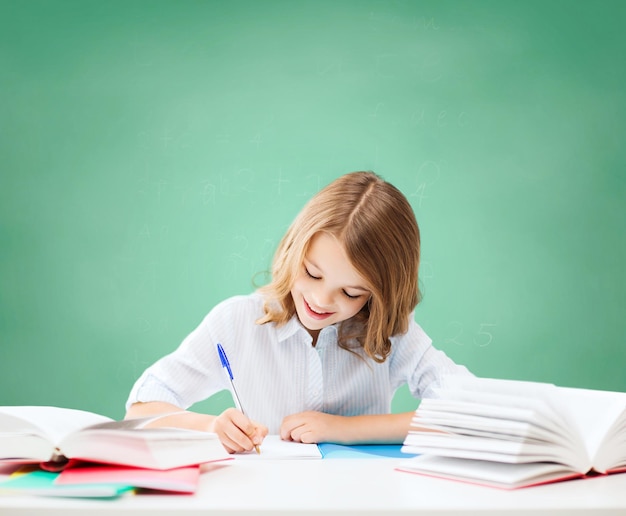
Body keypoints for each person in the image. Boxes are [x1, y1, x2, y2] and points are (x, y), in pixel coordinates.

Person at [125, 171, 472, 453]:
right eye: (311, 273)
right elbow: (141, 410)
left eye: (351, 293)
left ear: (378, 296)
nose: (321, 300)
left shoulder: (390, 332)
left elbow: (469, 411)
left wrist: (343, 429)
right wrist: (210, 426)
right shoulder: (237, 322)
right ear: (294, 249)